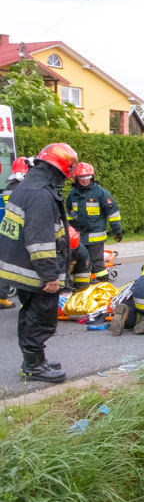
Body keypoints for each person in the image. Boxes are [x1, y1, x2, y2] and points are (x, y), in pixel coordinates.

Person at [0, 143, 78, 383]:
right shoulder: (41, 194)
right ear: (62, 168)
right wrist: (51, 276)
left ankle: (35, 361)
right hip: (35, 271)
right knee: (41, 318)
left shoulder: (27, 186)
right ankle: (34, 367)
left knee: (30, 315)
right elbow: (40, 241)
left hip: (20, 266)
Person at [65, 162, 123, 284]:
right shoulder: (72, 195)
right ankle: (82, 288)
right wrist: (69, 230)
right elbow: (69, 214)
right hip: (78, 237)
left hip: (95, 236)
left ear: (92, 177)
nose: (85, 181)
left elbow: (113, 213)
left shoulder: (101, 193)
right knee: (79, 264)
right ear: (76, 179)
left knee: (97, 265)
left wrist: (117, 231)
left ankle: (105, 285)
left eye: (88, 177)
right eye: (82, 178)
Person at [0, 156, 30, 309]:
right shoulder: (23, 188)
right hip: (20, 230)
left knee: (6, 262)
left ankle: (2, 296)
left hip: (8, 229)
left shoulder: (8, 188)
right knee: (22, 264)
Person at [67, 226, 92, 291]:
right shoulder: (50, 253)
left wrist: (80, 293)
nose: (71, 253)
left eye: (73, 250)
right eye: (69, 251)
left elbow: (82, 276)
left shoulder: (82, 252)